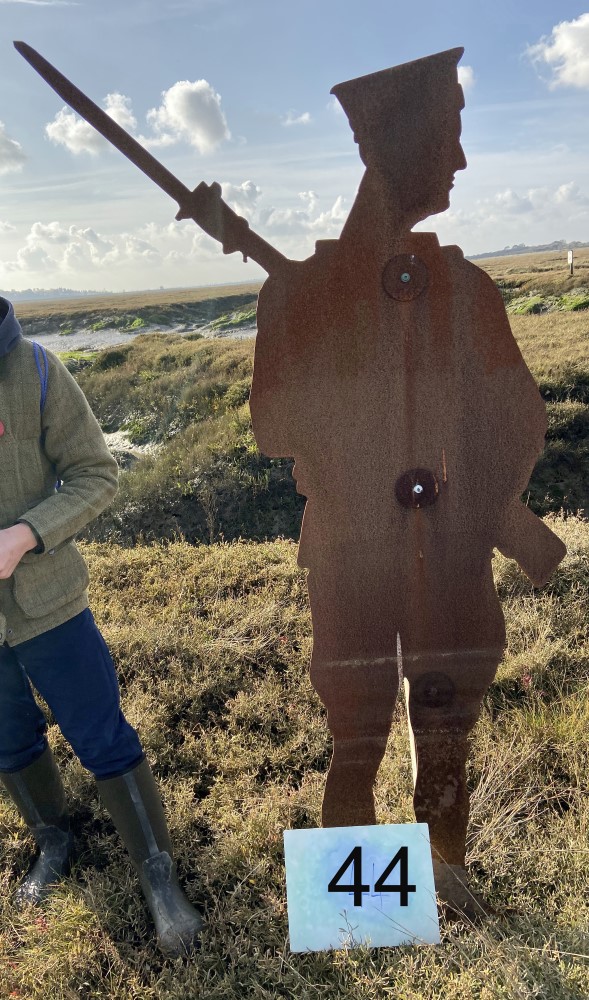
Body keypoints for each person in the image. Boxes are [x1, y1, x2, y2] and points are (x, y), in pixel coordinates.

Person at [249, 49, 565, 915]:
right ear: (390, 144)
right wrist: (328, 336)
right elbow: (274, 426)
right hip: (353, 553)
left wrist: (470, 503)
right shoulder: (304, 294)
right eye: (448, 135)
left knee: (444, 732)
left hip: (452, 558)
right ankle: (357, 912)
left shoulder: (463, 288)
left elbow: (520, 420)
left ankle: (442, 882)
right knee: (356, 736)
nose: (459, 160)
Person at [0, 296, 202, 956]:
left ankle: (156, 871)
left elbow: (96, 473)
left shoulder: (34, 371)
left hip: (49, 604)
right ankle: (54, 841)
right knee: (7, 737)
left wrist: (26, 535)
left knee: (103, 734)